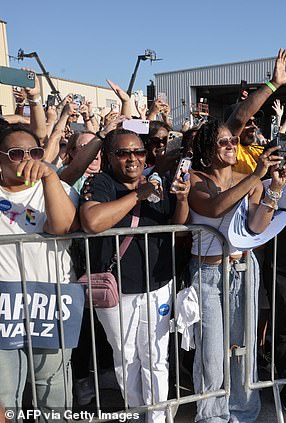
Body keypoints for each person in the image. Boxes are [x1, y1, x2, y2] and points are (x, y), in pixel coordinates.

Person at [80, 128, 190, 423]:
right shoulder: (100, 183)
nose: (133, 158)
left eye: (139, 152)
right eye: (124, 152)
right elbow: (92, 221)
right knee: (126, 358)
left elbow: (177, 227)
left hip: (158, 286)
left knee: (156, 357)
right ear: (109, 157)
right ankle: (138, 415)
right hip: (119, 292)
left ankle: (156, 418)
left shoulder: (160, 183)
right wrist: (137, 195)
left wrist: (181, 200)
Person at [188, 117, 286, 423]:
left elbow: (255, 226)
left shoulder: (251, 181)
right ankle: (211, 417)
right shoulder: (195, 178)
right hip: (207, 275)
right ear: (207, 148)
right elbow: (214, 207)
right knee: (212, 355)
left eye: (234, 141)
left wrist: (274, 189)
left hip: (244, 271)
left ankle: (243, 413)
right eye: (224, 141)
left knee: (242, 349)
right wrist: (257, 175)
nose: (232, 146)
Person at [0, 124, 79, 420]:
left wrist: (49, 176)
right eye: (16, 153)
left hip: (48, 302)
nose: (27, 159)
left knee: (52, 390)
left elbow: (61, 228)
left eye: (34, 152)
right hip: (3, 307)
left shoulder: (57, 187)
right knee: (4, 395)